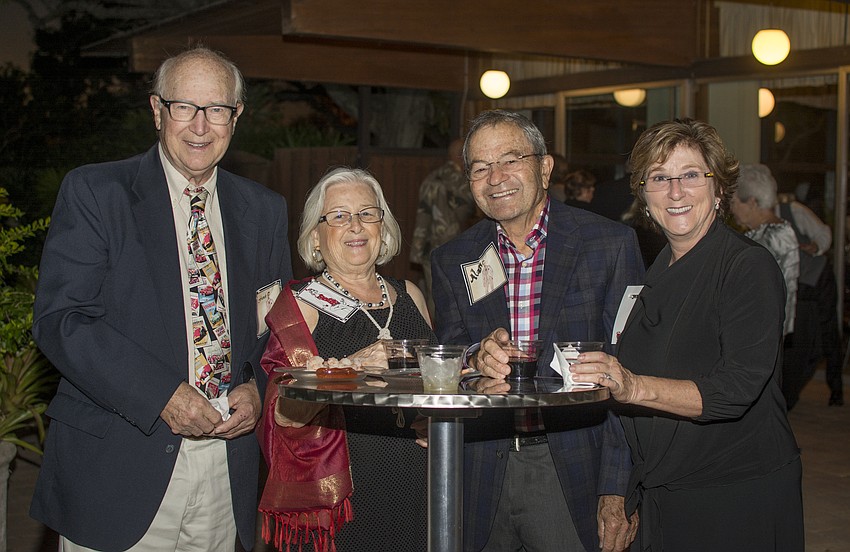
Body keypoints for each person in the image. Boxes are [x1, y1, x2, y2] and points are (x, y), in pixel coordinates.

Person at [30, 47, 293, 552]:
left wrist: (260, 387)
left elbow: (276, 327)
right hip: (120, 465)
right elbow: (63, 320)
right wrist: (161, 396)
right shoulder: (96, 192)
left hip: (224, 465)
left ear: (236, 117)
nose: (200, 125)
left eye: (217, 109)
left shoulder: (264, 210)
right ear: (156, 110)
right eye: (184, 107)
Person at [570, 119, 804, 551]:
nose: (675, 192)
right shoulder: (659, 269)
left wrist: (633, 385)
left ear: (719, 190)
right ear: (643, 195)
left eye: (691, 175)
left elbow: (736, 389)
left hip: (732, 496)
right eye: (659, 178)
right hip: (666, 492)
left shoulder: (746, 267)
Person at [431, 109, 643, 552]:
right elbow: (450, 352)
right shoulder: (453, 259)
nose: (496, 178)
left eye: (510, 160)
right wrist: (474, 356)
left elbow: (631, 371)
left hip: (570, 462)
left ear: (544, 168)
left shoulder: (608, 244)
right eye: (480, 168)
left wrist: (618, 488)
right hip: (480, 465)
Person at [257, 167, 436, 552]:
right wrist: (351, 368)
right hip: (346, 500)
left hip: (420, 486)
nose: (355, 225)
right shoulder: (300, 306)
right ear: (316, 238)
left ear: (383, 228)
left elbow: (439, 388)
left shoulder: (411, 296)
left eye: (367, 213)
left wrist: (432, 419)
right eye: (338, 216)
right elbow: (280, 413)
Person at [777, 194, 844, 406]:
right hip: (795, 283)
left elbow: (823, 232)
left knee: (827, 331)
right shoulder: (754, 227)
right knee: (799, 336)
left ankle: (836, 389)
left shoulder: (793, 210)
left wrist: (815, 247)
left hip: (817, 277)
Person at [730, 163, 799, 336]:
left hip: (762, 336)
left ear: (752, 202)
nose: (731, 209)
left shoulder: (771, 238)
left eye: (734, 201)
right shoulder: (774, 232)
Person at [410, 137, 477, 314]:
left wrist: (417, 251)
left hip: (431, 249)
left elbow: (422, 216)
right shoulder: (466, 182)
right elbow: (470, 213)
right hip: (459, 249)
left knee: (435, 297)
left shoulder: (432, 178)